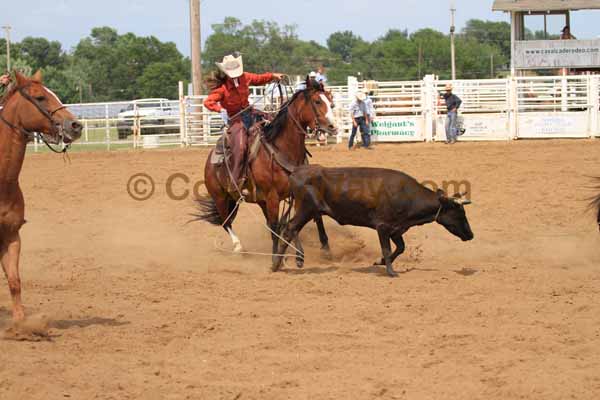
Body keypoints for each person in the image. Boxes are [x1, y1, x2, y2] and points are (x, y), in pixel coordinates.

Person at [203, 53, 284, 191]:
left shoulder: (245, 77)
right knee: (240, 146)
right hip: (235, 119)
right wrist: (220, 109)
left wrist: (273, 76)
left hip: (250, 113)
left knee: (276, 125)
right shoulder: (222, 89)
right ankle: (235, 179)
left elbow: (259, 78)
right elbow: (208, 102)